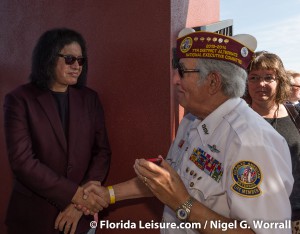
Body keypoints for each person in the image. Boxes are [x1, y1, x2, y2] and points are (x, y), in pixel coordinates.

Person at [78, 29, 293, 234]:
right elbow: (170, 181)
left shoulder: (252, 142)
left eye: (182, 71)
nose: (174, 80)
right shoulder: (192, 120)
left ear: (213, 82)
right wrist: (109, 194)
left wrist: (182, 203)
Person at [3, 28, 111, 234]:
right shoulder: (19, 100)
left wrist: (81, 204)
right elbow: (22, 162)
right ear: (49, 57)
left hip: (80, 219)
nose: (76, 66)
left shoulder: (90, 99)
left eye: (81, 60)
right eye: (70, 59)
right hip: (33, 219)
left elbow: (102, 152)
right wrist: (76, 195)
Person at [246, 51, 300, 234]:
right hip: (253, 214)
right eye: (254, 77)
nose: (261, 84)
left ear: (280, 81)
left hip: (296, 212)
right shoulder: (236, 119)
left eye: (269, 77)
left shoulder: (296, 116)